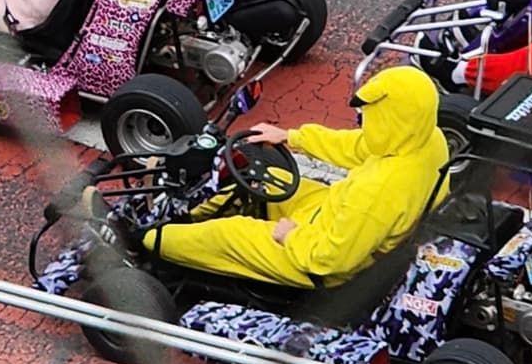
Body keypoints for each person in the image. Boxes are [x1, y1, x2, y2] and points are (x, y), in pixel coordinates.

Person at [147, 66, 449, 291]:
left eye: (370, 116)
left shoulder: (378, 191)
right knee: (264, 179)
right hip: (333, 215)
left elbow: (331, 259)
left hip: (319, 259)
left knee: (227, 233)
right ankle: (185, 213)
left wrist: (290, 236)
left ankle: (147, 238)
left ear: (389, 120)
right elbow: (360, 146)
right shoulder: (427, 140)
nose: (364, 121)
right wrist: (291, 137)